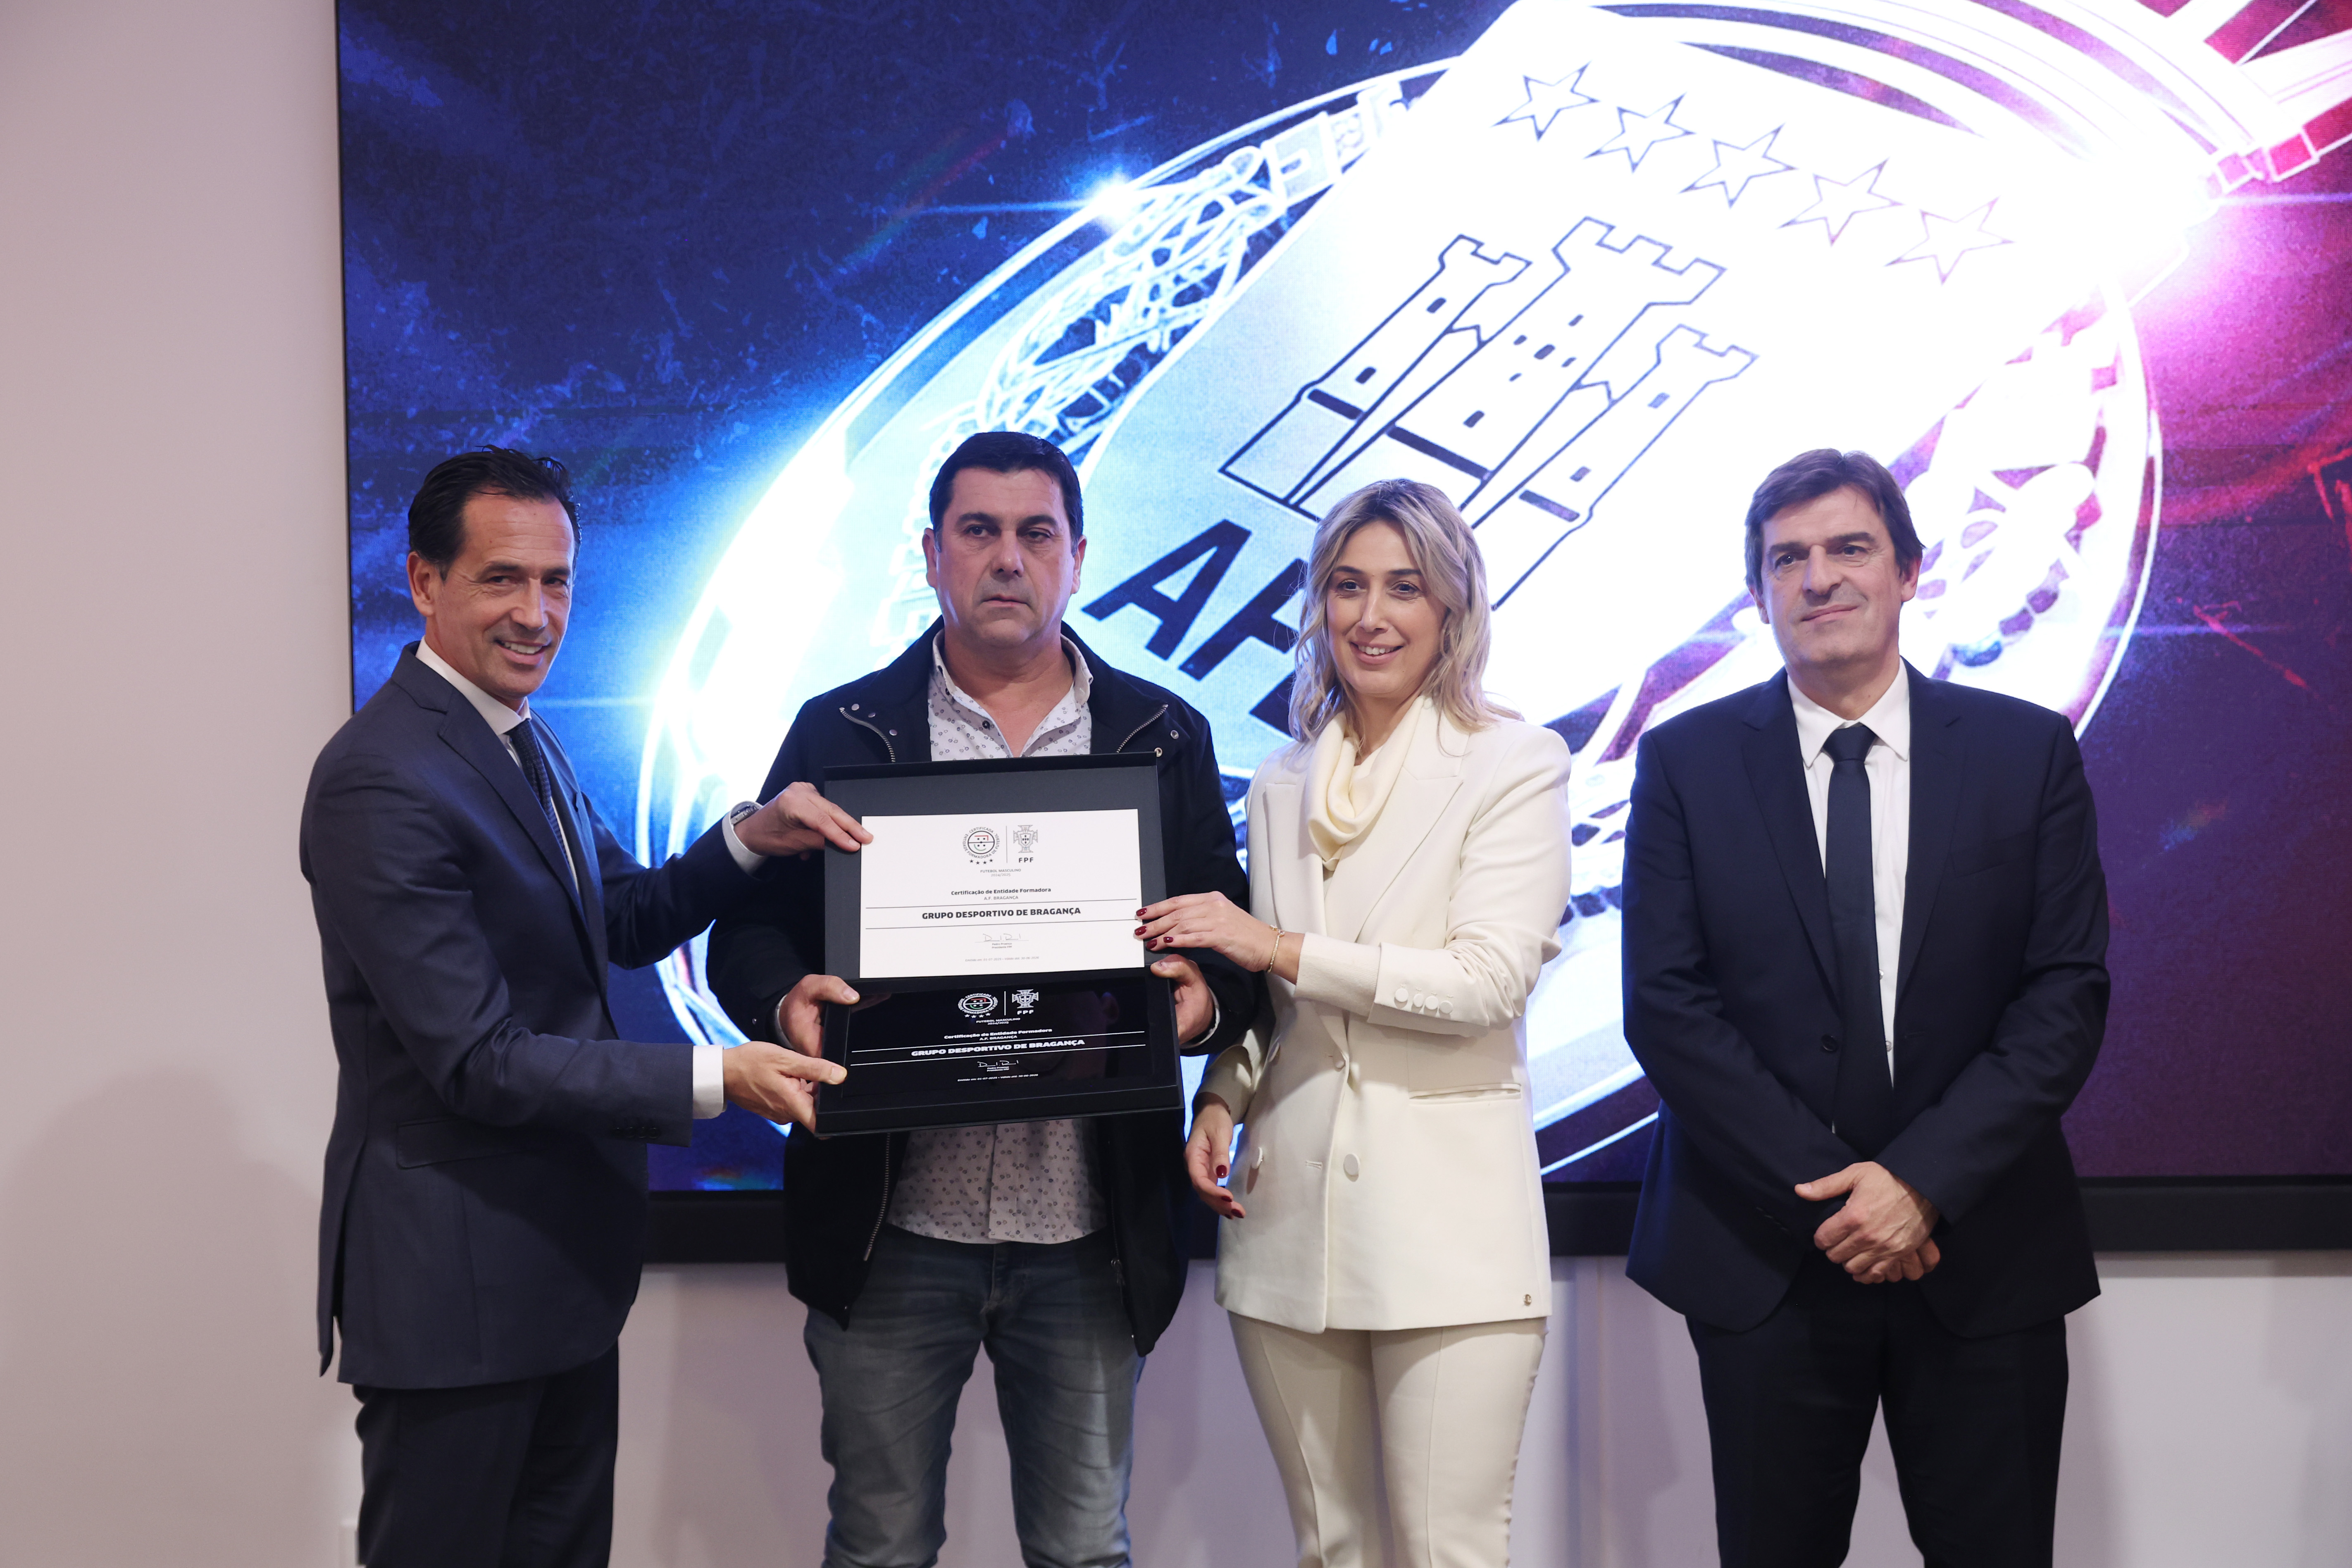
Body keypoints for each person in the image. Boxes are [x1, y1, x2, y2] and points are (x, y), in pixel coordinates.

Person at [705, 430, 1261, 1568]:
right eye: (979, 531)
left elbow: (1236, 943)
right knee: (878, 1547)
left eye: (1036, 533)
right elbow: (747, 928)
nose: (1009, 557)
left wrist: (1197, 1006)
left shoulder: (1161, 734)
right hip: (892, 1229)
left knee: (1083, 1552)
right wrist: (784, 1000)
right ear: (930, 555)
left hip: (1088, 1233)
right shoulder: (841, 728)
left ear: (1077, 557)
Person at [302, 447, 861, 1568]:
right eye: (502, 579)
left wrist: (751, 838)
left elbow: (624, 916)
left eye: (556, 581)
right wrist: (720, 1076)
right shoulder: (382, 775)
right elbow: (478, 1058)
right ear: (424, 581)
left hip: (554, 1275)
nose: (537, 613)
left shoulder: (514, 735)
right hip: (454, 1289)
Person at [1621, 448, 2111, 1567]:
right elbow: (1667, 1004)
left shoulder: (2023, 752)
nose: (1819, 578)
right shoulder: (1686, 762)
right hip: (1765, 1257)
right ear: (1757, 594)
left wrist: (1919, 1184)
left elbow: (2063, 992)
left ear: (1909, 571)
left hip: (1981, 1247)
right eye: (1786, 559)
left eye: (1849, 548)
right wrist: (1843, 1200)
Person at [1142, 478, 1571, 1568]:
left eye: (1404, 588)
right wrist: (1222, 1093)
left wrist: (1275, 946)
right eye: (1347, 586)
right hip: (1285, 1215)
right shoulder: (1281, 779)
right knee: (1330, 1549)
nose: (1371, 616)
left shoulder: (1514, 761)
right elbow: (1277, 1003)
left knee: (1445, 1551)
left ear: (1452, 607)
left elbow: (1483, 984)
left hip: (1451, 1225)